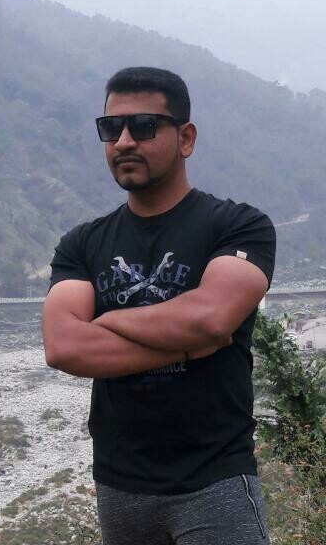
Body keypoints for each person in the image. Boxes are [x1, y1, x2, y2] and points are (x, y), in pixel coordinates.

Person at [42, 67, 275, 544]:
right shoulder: (82, 244)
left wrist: (106, 321)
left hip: (215, 479)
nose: (124, 141)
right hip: (120, 487)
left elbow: (211, 318)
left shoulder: (237, 226)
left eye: (144, 126)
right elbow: (63, 346)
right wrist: (185, 345)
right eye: (111, 128)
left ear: (185, 138)